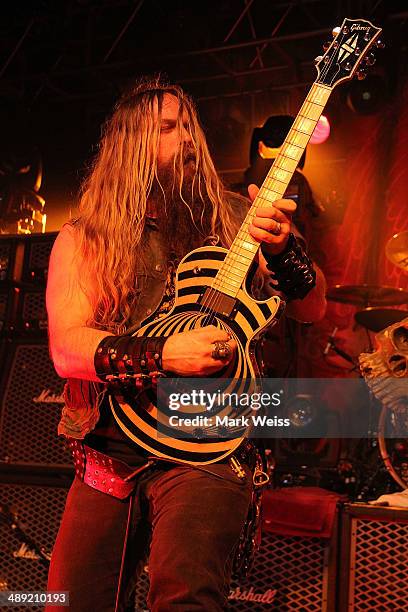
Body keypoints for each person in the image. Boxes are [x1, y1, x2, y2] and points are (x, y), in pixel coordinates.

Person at [45, 76, 326, 612]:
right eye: (170, 128)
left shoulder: (237, 222)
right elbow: (67, 349)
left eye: (190, 126)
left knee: (186, 598)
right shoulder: (87, 237)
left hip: (210, 447)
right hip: (110, 449)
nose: (190, 139)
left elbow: (312, 309)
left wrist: (287, 252)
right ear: (131, 146)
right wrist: (169, 355)